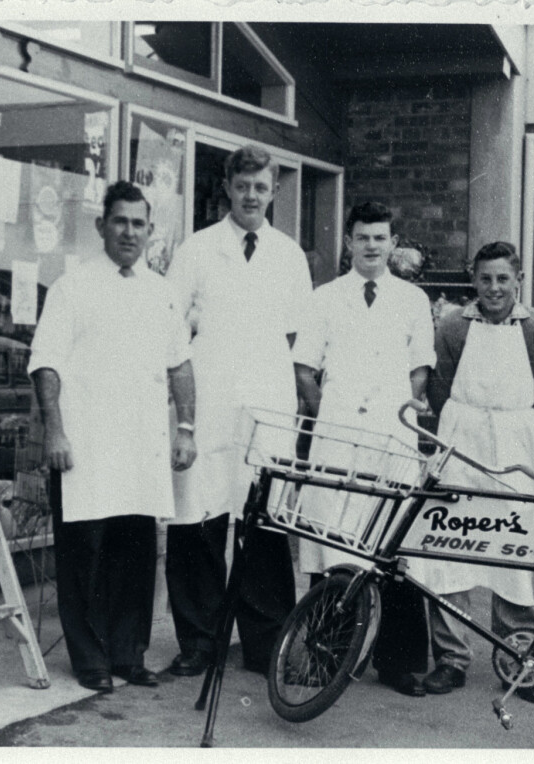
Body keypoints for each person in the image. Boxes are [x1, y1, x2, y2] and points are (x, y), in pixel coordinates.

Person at [29, 181, 197, 694]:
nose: (129, 232)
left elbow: (181, 365)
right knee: (85, 555)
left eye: (139, 223)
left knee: (136, 555)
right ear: (101, 226)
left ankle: (129, 655)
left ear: (151, 231)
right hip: (86, 447)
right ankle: (90, 659)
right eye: (120, 221)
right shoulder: (72, 287)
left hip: (140, 446)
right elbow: (45, 364)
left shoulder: (162, 292)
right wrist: (54, 430)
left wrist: (186, 428)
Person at [164, 145, 313, 676]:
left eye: (262, 187)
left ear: (275, 191)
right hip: (209, 401)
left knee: (265, 525)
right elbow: (171, 328)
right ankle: (199, 644)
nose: (252, 195)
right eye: (243, 185)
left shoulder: (289, 255)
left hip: (267, 404)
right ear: (227, 187)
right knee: (197, 521)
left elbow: (300, 338)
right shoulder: (197, 250)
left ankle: (264, 643)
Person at [293, 201, 436, 697]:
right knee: (331, 541)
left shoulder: (413, 300)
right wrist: (326, 417)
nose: (372, 246)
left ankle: (397, 663)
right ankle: (321, 658)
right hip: (338, 434)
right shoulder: (325, 298)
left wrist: (407, 413)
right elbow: (305, 369)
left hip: (392, 433)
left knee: (392, 544)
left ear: (393, 243)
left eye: (380, 237)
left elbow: (420, 369)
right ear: (348, 243)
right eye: (362, 237)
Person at [412, 241, 534, 704]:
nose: (494, 288)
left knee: (513, 552)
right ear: (473, 280)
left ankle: (517, 659)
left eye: (503, 279)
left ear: (517, 279)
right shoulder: (454, 325)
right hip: (462, 440)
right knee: (450, 545)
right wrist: (467, 427)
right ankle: (452, 659)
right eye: (485, 279)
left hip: (513, 446)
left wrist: (517, 430)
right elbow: (438, 389)